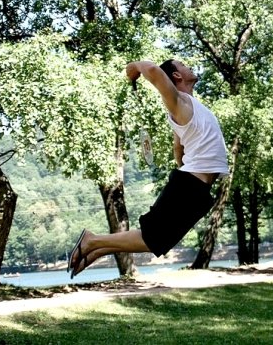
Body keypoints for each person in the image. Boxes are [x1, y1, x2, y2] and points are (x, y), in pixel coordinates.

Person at [68, 59, 229, 278]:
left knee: (159, 242)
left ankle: (98, 250)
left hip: (197, 186)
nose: (188, 66)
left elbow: (178, 147)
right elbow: (152, 69)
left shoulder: (190, 106)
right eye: (182, 64)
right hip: (191, 183)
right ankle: (93, 241)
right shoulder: (178, 100)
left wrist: (185, 174)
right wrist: (134, 67)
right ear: (177, 76)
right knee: (152, 238)